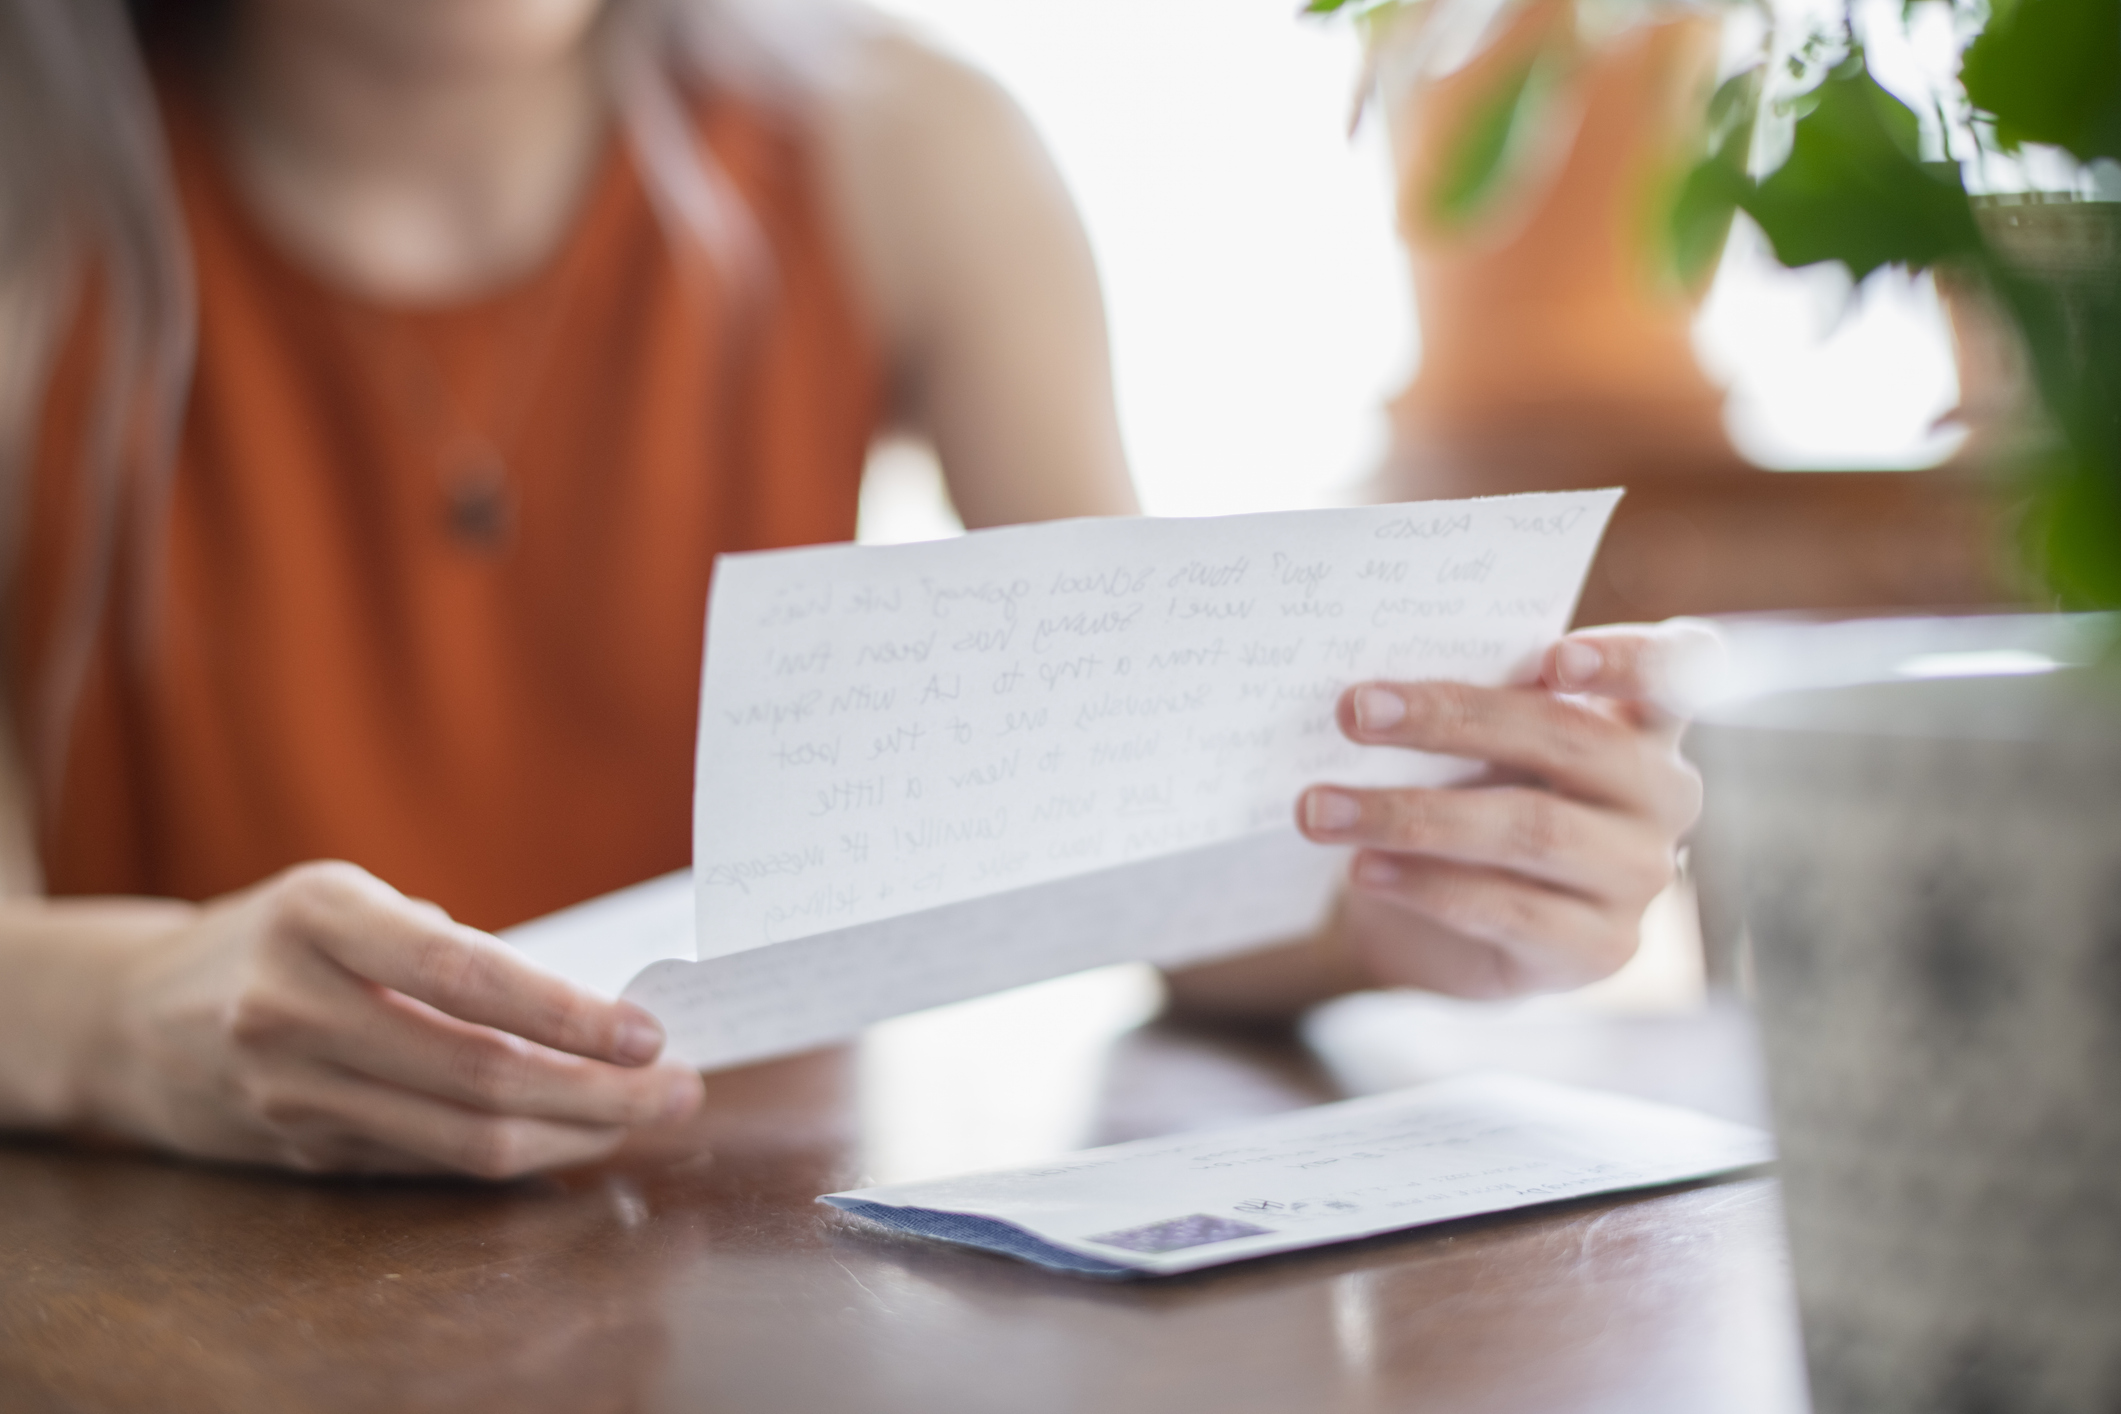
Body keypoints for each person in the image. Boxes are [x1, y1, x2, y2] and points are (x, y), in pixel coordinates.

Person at [0, 0, 1705, 1178]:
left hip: (744, 1267)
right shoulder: (43, 221)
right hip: (184, 1285)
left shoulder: (903, 153)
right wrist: (123, 1020)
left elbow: (1154, 865)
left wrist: (1405, 892)